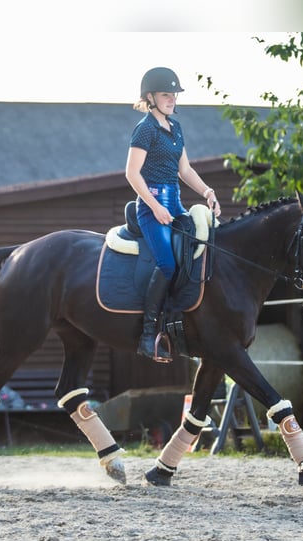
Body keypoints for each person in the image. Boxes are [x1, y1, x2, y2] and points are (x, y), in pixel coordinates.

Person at [125, 67, 222, 363]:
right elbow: (132, 173)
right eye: (166, 94)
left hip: (176, 204)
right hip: (151, 206)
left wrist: (206, 191)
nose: (172, 99)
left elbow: (185, 170)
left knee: (197, 253)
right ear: (150, 98)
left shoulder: (175, 128)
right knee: (167, 264)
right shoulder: (145, 129)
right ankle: (147, 334)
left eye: (174, 94)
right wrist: (155, 207)